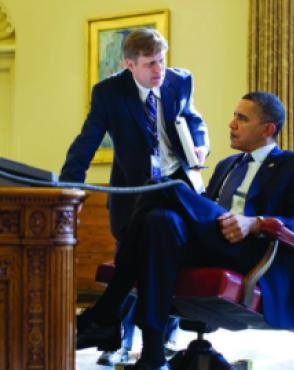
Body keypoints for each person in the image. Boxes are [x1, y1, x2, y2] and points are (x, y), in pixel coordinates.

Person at [75, 92, 294, 370]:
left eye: (242, 118)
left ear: (268, 129)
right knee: (160, 222)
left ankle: (107, 312)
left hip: (251, 250)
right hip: (210, 244)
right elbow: (203, 210)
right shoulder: (226, 165)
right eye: (234, 115)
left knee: (168, 187)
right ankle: (153, 355)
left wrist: (255, 223)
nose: (231, 124)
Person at [59, 28, 209, 365]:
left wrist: (201, 143)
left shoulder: (179, 81)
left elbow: (194, 119)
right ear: (130, 64)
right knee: (152, 233)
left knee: (157, 241)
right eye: (150, 64)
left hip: (181, 187)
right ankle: (129, 339)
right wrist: (69, 191)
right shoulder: (109, 94)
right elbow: (86, 143)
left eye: (162, 60)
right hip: (135, 196)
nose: (159, 70)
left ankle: (108, 319)